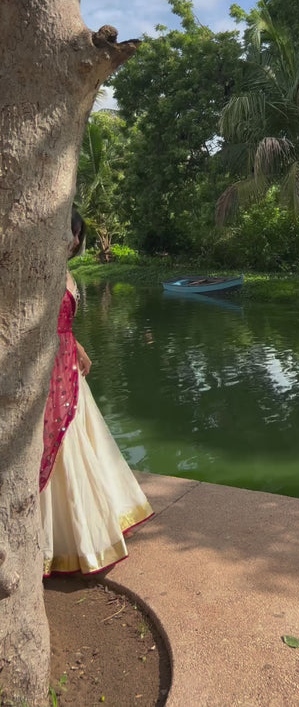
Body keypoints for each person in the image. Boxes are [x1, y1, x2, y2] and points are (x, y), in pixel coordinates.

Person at [40, 209, 153, 576]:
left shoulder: (67, 273)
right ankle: (60, 543)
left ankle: (92, 528)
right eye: (70, 232)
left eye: (77, 234)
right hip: (47, 369)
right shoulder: (38, 271)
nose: (74, 240)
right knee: (62, 448)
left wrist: (81, 349)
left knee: (84, 444)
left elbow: (64, 323)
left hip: (69, 363)